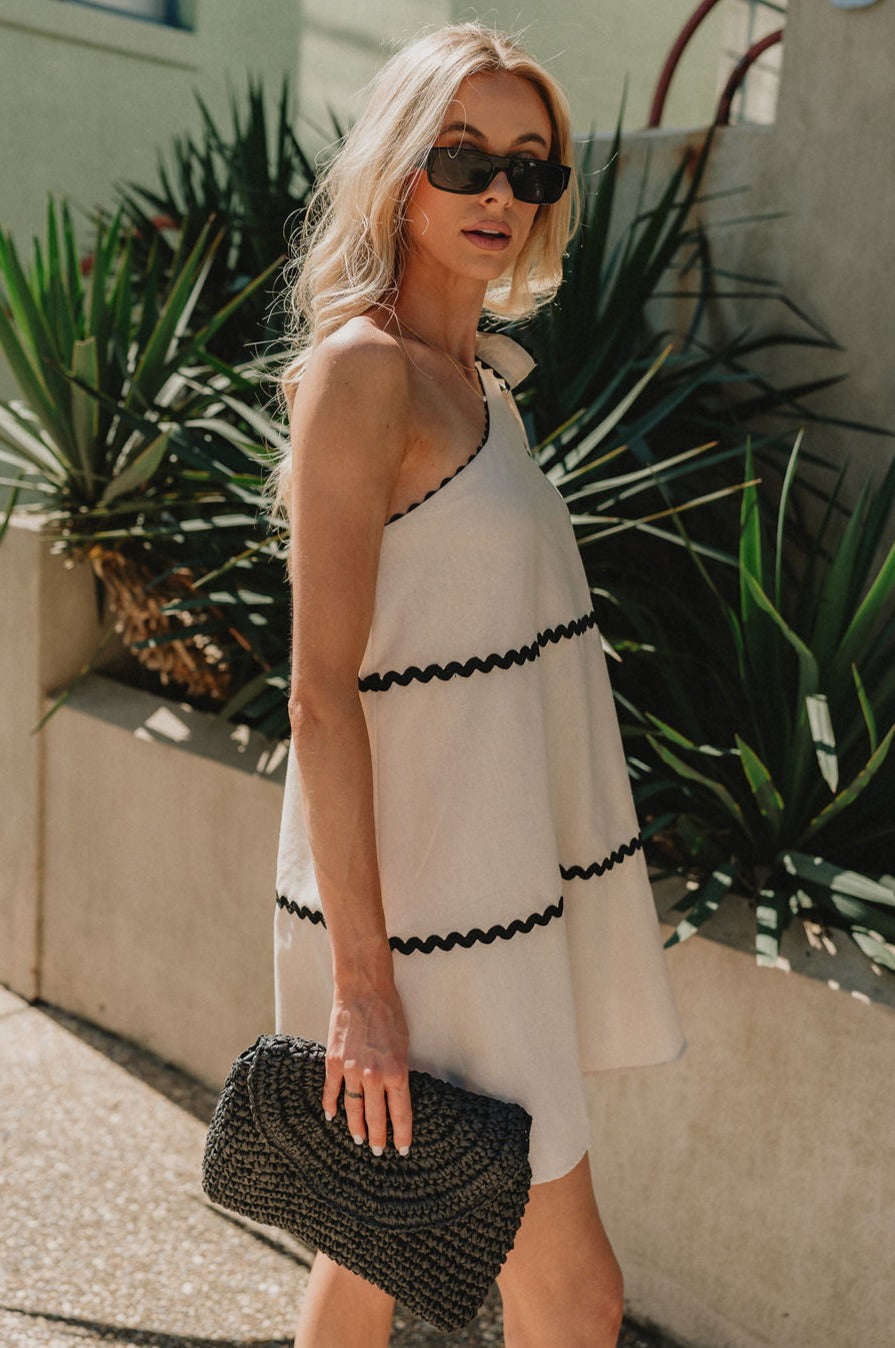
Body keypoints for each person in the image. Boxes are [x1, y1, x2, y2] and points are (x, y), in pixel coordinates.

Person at [268, 22, 685, 1348]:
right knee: (573, 1292)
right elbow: (319, 696)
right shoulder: (362, 375)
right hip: (423, 925)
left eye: (532, 168)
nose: (502, 193)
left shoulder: (482, 389)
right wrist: (364, 981)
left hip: (495, 894)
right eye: (466, 158)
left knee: (377, 1242)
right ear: (402, 172)